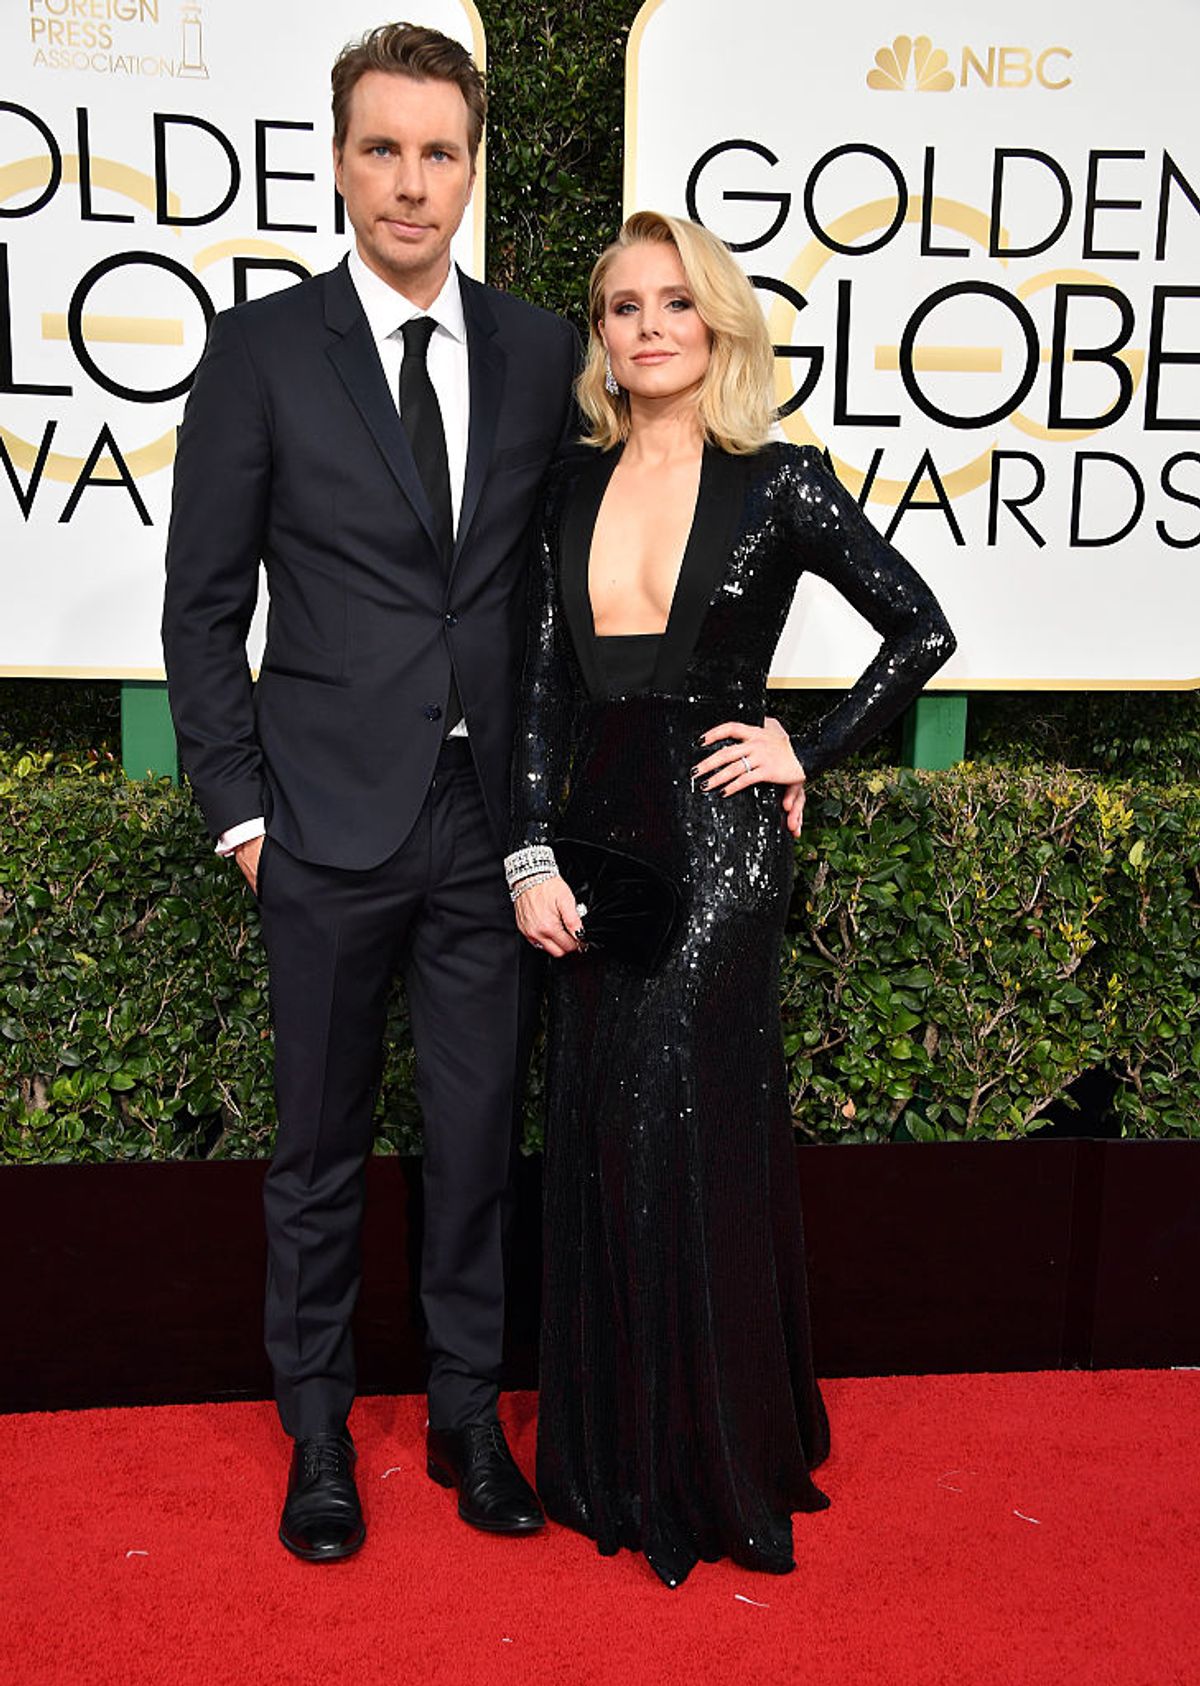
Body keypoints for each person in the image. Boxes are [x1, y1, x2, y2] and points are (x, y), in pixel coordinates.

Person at [162, 23, 579, 1562]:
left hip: (486, 827)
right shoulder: (264, 349)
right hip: (321, 825)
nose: (412, 183)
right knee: (318, 1150)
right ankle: (320, 1431)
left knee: (476, 1137)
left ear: (475, 167)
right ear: (338, 161)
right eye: (383, 148)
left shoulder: (541, 353)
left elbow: (578, 587)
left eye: (441, 151)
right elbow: (201, 606)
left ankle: (469, 1417)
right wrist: (244, 818)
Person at [507, 211, 956, 1587]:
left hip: (720, 848)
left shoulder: (783, 482)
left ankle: (711, 1460)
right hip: (598, 847)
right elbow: (539, 693)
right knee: (600, 1120)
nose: (647, 326)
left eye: (673, 304)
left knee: (676, 1119)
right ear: (604, 335)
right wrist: (528, 852)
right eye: (622, 306)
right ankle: (616, 1453)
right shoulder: (564, 493)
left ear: (717, 326)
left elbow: (920, 625)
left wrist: (799, 747)